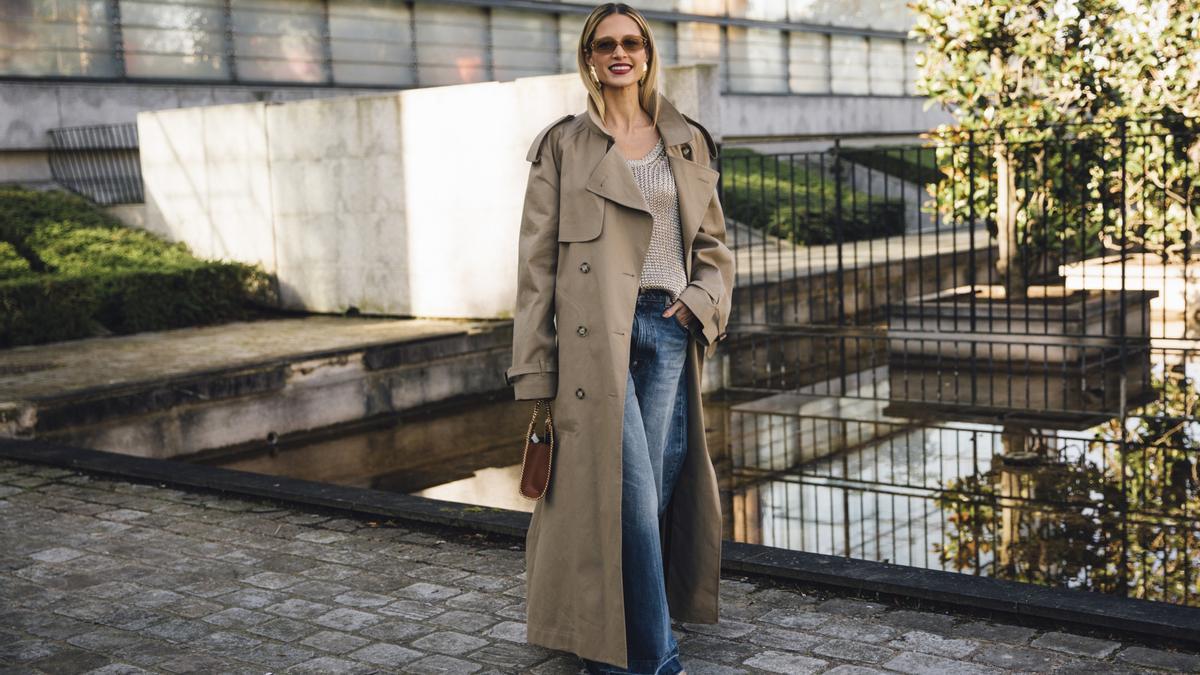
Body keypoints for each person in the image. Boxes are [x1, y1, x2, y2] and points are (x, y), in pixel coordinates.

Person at [505, 3, 735, 673]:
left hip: (667, 330)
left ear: (646, 53)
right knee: (628, 494)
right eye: (605, 43)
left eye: (631, 41)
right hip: (591, 342)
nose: (619, 52)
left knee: (653, 488)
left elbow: (715, 245)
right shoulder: (563, 145)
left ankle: (617, 629)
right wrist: (534, 371)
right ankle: (650, 658)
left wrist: (696, 304)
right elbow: (535, 265)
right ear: (590, 57)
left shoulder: (685, 139)